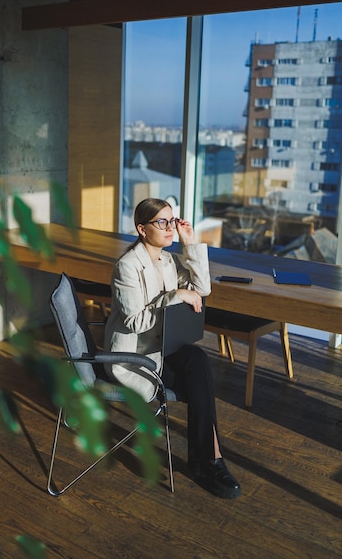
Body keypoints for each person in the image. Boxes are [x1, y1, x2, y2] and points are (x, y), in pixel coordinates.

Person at [104, 197, 241, 499]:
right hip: (135, 357)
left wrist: (190, 244)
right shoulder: (127, 267)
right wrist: (174, 295)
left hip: (163, 348)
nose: (170, 228)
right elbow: (135, 322)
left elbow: (202, 290)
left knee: (198, 361)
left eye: (172, 220)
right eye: (161, 222)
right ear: (142, 229)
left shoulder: (167, 260)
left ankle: (209, 460)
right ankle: (210, 462)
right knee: (200, 380)